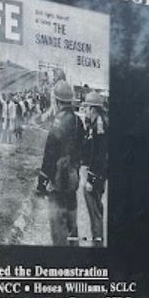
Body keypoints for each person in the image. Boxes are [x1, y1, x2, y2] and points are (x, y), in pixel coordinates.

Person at [36, 79, 83, 245]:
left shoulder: (57, 122)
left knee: (58, 229)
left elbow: (50, 155)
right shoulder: (79, 121)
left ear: (56, 101)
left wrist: (41, 182)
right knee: (72, 224)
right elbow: (80, 151)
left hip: (58, 181)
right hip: (73, 179)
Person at [80, 91, 108, 245]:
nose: (85, 110)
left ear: (93, 108)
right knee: (97, 210)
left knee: (95, 213)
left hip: (95, 176)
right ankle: (98, 244)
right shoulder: (98, 121)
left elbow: (100, 154)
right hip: (98, 175)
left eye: (86, 108)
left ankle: (97, 248)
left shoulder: (99, 124)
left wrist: (90, 178)